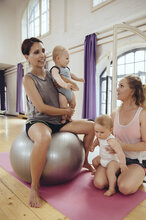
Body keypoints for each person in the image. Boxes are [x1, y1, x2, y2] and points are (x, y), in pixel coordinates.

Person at [21, 37, 95, 208]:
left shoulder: (53, 73)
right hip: (38, 121)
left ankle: (84, 160)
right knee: (44, 139)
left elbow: (65, 86)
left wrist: (72, 89)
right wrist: (66, 112)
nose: (42, 55)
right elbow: (41, 107)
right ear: (27, 57)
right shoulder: (28, 79)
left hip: (58, 121)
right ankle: (34, 186)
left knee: (91, 127)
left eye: (43, 51)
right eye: (36, 52)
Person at [93, 75, 146, 195]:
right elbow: (109, 135)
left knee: (124, 187)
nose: (117, 89)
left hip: (135, 161)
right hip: (114, 159)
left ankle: (138, 173)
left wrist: (123, 146)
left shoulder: (142, 113)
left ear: (132, 91)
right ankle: (119, 173)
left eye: (121, 86)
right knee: (99, 183)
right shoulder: (115, 113)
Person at [90, 114, 128, 196]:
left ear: (110, 130)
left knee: (110, 171)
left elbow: (120, 152)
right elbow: (97, 140)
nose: (98, 134)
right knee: (94, 161)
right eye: (96, 132)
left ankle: (112, 188)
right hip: (103, 158)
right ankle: (98, 171)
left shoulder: (111, 140)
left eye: (101, 132)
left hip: (113, 161)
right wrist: (93, 146)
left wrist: (123, 163)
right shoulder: (100, 137)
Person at [50, 45, 85, 123]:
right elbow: (57, 78)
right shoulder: (55, 69)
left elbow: (71, 75)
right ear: (58, 58)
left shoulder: (67, 69)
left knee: (73, 104)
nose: (68, 60)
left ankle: (69, 116)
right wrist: (65, 85)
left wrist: (78, 79)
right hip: (61, 92)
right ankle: (63, 118)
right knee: (63, 106)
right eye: (67, 58)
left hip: (69, 91)